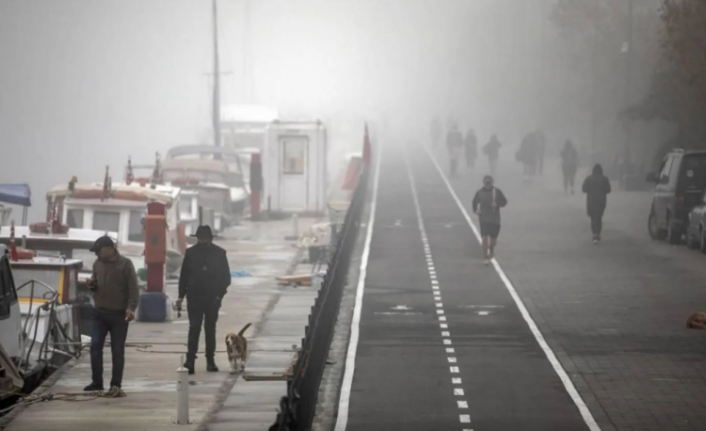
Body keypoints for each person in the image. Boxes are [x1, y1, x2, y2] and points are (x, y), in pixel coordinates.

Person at [84, 235, 138, 396]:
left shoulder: (126, 264)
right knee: (95, 347)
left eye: (98, 251)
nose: (96, 254)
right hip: (99, 313)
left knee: (117, 351)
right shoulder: (97, 264)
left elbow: (133, 288)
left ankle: (116, 384)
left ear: (109, 249)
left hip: (119, 315)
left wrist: (131, 308)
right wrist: (92, 285)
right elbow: (96, 284)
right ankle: (97, 381)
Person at [176, 225, 231, 374]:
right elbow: (184, 276)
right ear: (197, 238)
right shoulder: (190, 253)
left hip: (213, 297)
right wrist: (180, 296)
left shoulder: (220, 253)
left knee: (210, 329)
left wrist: (219, 295)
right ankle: (190, 360)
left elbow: (226, 278)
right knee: (194, 328)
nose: (203, 241)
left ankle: (210, 360)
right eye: (200, 238)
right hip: (194, 297)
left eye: (205, 239)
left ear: (211, 239)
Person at [472, 175, 508, 265]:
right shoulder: (479, 193)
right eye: (486, 182)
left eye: (489, 182)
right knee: (484, 238)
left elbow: (504, 202)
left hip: (495, 219)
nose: (487, 184)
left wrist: (497, 204)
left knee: (493, 240)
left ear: (492, 182)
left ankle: (491, 248)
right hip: (484, 218)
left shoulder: (497, 192)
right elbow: (474, 202)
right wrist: (476, 210)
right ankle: (486, 256)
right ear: (483, 182)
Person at [582, 164, 611, 244]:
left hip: (591, 200)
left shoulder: (588, 179)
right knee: (599, 218)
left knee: (593, 218)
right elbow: (608, 190)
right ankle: (597, 233)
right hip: (601, 201)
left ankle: (594, 234)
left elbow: (584, 189)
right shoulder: (605, 179)